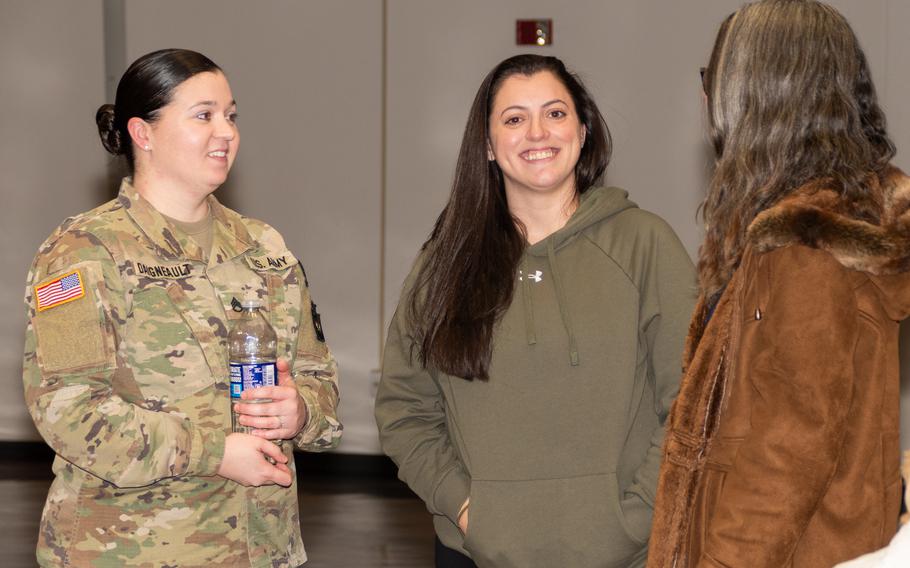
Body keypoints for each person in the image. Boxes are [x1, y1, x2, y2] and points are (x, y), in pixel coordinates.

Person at [22, 49, 341, 567]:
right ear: (143, 134)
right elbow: (68, 410)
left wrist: (301, 409)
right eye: (204, 115)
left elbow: (318, 376)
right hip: (128, 550)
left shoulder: (264, 246)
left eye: (231, 116)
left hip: (262, 547)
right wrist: (214, 452)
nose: (226, 132)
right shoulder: (85, 251)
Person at [374, 54, 695, 568]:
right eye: (514, 118)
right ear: (486, 144)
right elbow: (405, 410)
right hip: (475, 552)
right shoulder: (447, 262)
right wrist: (463, 507)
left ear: (584, 130)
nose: (537, 133)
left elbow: (691, 399)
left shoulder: (644, 243)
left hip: (628, 553)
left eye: (555, 113)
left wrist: (638, 516)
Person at [647, 2, 910, 567]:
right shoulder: (824, 225)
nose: (705, 99)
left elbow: (788, 449)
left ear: (762, 93)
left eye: (712, 80)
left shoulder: (805, 247)